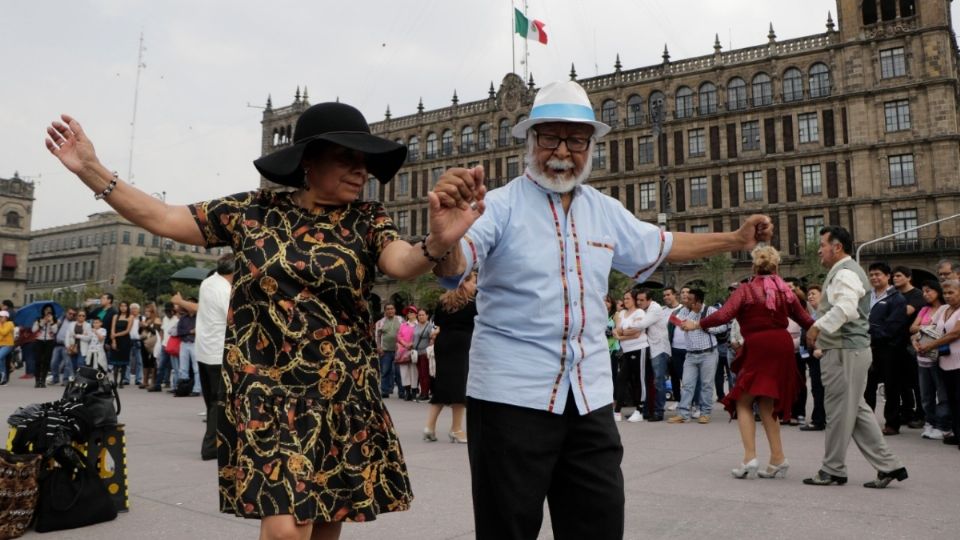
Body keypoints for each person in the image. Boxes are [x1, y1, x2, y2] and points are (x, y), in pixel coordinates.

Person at [46, 100, 479, 538]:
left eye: (364, 161)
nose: (360, 170)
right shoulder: (251, 212)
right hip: (265, 391)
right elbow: (163, 217)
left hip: (341, 389)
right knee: (287, 528)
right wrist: (91, 169)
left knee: (329, 519)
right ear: (308, 160)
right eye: (346, 157)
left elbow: (402, 262)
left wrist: (438, 241)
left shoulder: (367, 220)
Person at [428, 80, 773, 539]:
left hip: (588, 396)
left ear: (590, 146)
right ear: (530, 142)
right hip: (511, 397)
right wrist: (442, 240)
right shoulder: (500, 206)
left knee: (599, 523)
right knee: (506, 528)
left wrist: (734, 239)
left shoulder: (604, 211)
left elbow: (665, 243)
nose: (563, 151)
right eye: (550, 137)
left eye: (576, 140)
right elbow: (455, 264)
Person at [684, 246, 814, 478]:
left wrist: (698, 324)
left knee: (743, 401)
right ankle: (777, 458)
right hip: (781, 345)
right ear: (777, 267)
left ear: (754, 267)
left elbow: (724, 314)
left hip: (758, 345)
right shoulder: (786, 291)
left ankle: (749, 458)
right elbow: (806, 320)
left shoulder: (746, 289)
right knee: (767, 402)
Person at [803, 226, 907, 488]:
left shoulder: (845, 273)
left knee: (838, 412)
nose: (819, 250)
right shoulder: (845, 272)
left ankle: (832, 469)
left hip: (844, 351)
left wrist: (818, 326)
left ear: (837, 247)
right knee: (857, 411)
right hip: (850, 350)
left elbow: (846, 308)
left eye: (822, 245)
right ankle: (889, 466)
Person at [174, 255, 234, 458]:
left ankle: (218, 443)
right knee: (219, 403)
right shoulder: (224, 290)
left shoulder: (208, 283)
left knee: (211, 403)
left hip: (204, 351)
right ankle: (211, 447)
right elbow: (232, 318)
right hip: (218, 353)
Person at [424, 273, 476, 443]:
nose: (475, 286)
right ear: (464, 284)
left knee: (442, 383)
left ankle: (429, 427)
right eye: (473, 282)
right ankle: (456, 429)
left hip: (443, 343)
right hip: (461, 344)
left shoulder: (443, 302)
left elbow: (438, 322)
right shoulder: (472, 304)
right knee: (459, 386)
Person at [864, 262, 908, 435]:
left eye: (878, 274)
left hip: (889, 349)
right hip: (869, 348)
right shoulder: (867, 296)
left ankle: (892, 423)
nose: (874, 278)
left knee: (891, 387)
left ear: (887, 276)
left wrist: (870, 331)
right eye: (872, 274)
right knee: (868, 387)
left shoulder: (897, 298)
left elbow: (893, 327)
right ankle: (867, 423)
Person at [916, 279, 960, 451]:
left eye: (952, 293)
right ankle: (956, 433)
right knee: (952, 400)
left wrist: (930, 345)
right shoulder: (945, 310)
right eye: (946, 293)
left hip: (958, 362)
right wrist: (918, 340)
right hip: (945, 361)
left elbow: (955, 333)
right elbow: (932, 329)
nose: (948, 296)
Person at [909, 281, 951, 440]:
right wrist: (923, 332)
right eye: (924, 291)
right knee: (925, 394)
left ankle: (943, 425)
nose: (925, 294)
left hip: (937, 356)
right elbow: (913, 328)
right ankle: (930, 422)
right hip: (921, 355)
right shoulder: (924, 309)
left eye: (929, 291)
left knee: (941, 393)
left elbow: (938, 330)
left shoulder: (943, 309)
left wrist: (923, 329)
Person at [892, 266, 925, 429]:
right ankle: (906, 412)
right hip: (896, 342)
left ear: (908, 277)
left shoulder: (917, 294)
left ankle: (921, 413)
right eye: (893, 276)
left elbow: (904, 312)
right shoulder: (894, 294)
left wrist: (887, 311)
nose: (895, 278)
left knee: (916, 382)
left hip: (911, 343)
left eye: (898, 276)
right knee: (901, 381)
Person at [613, 289, 647, 423]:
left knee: (638, 380)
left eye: (627, 298)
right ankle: (617, 411)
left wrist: (621, 335)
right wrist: (623, 333)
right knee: (621, 379)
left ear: (634, 299)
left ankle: (640, 409)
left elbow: (637, 333)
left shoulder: (640, 312)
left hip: (639, 349)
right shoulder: (621, 313)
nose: (625, 301)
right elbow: (616, 331)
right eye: (624, 298)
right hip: (626, 351)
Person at [635, 289, 668, 422]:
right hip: (650, 348)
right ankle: (648, 410)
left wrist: (624, 327)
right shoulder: (644, 310)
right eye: (637, 300)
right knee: (649, 381)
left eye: (642, 300)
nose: (639, 302)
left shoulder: (655, 308)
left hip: (659, 349)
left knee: (658, 381)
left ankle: (659, 412)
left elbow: (642, 324)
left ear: (649, 300)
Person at [799, 285, 827, 431]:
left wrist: (818, 348)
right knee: (817, 389)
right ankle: (819, 418)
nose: (810, 297)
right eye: (808, 294)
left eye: (813, 294)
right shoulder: (813, 313)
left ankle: (819, 420)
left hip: (822, 355)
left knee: (821, 389)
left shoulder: (825, 313)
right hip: (812, 356)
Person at [395, 305, 420, 402]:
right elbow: (399, 336)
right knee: (404, 372)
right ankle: (407, 391)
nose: (410, 315)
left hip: (414, 349)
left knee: (414, 371)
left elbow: (419, 336)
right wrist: (405, 344)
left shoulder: (418, 325)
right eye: (408, 313)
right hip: (403, 350)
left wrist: (412, 344)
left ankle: (414, 391)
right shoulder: (403, 325)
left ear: (416, 314)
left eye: (412, 313)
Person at [376, 303, 402, 398]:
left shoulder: (400, 320)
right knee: (385, 371)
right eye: (388, 309)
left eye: (392, 308)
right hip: (385, 351)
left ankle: (402, 392)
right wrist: (379, 348)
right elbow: (377, 336)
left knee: (399, 373)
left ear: (395, 310)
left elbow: (405, 333)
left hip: (398, 351)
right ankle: (385, 391)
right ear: (385, 311)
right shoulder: (380, 322)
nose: (390, 310)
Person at [32, 303, 59, 388]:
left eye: (49, 310)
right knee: (38, 361)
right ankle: (37, 380)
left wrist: (51, 322)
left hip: (49, 341)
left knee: (46, 361)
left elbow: (55, 331)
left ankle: (43, 380)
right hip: (39, 341)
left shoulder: (54, 320)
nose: (48, 312)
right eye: (46, 310)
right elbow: (33, 330)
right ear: (43, 311)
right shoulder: (39, 319)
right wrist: (42, 322)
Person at [412, 308, 436, 401]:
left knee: (425, 374)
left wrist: (432, 340)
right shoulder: (416, 326)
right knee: (421, 374)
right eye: (419, 315)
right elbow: (414, 338)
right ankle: (422, 392)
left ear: (427, 316)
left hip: (425, 353)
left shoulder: (429, 326)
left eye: (423, 315)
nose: (421, 316)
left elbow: (433, 337)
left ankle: (425, 393)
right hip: (417, 353)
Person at [49, 307, 76, 385]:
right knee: (53, 362)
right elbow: (54, 329)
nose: (71, 315)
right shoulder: (61, 320)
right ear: (66, 313)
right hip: (57, 344)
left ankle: (65, 380)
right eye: (70, 313)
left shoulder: (74, 323)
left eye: (73, 314)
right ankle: (55, 378)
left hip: (67, 345)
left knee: (67, 363)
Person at [138, 303, 161, 390]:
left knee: (152, 361)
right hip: (144, 342)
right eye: (146, 311)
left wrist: (147, 326)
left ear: (153, 311)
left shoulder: (157, 319)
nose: (146, 313)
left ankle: (153, 382)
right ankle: (145, 381)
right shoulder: (145, 319)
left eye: (149, 311)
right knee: (145, 361)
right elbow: (140, 332)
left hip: (153, 342)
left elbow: (156, 332)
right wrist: (141, 326)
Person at [109, 301, 132, 388]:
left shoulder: (130, 317)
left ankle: (121, 381)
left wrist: (116, 334)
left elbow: (127, 331)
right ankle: (115, 381)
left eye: (125, 306)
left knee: (123, 364)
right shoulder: (115, 316)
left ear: (127, 307)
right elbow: (112, 329)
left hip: (125, 341)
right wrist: (113, 340)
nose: (123, 308)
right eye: (121, 306)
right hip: (116, 340)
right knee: (115, 363)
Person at [0, 311, 14, 385]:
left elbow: (4, 332)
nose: (0, 318)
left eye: (2, 317)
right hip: (1, 344)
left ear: (6, 317)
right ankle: (4, 378)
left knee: (0, 357)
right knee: (2, 360)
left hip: (8, 345)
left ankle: (2, 375)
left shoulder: (10, 324)